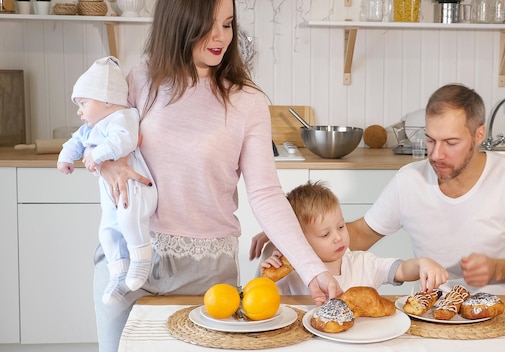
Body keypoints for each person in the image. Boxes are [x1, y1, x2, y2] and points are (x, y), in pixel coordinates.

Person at [93, 1, 341, 351]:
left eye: (227, 24)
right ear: (179, 22)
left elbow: (266, 194)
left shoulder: (247, 101)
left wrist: (314, 269)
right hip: (127, 260)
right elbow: (95, 130)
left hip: (207, 275)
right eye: (208, 25)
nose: (220, 37)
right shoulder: (140, 79)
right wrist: (106, 163)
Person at [346, 83, 505, 294]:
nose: (437, 154)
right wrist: (313, 244)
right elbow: (361, 234)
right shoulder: (409, 180)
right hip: (431, 312)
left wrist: (498, 269)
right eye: (430, 140)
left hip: (504, 311)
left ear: (479, 135)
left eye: (450, 143)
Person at [57, 56, 157, 306]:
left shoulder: (123, 117)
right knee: (108, 230)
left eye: (83, 102)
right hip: (111, 193)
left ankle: (141, 260)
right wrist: (65, 157)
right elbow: (75, 141)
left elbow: (124, 140)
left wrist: (96, 154)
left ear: (105, 100)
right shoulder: (90, 127)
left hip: (134, 189)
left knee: (128, 219)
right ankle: (118, 273)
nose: (79, 110)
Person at [260, 181, 449, 294]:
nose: (338, 237)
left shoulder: (361, 263)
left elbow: (401, 270)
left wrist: (422, 264)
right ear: (298, 240)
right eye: (325, 234)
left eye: (341, 226)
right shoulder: (292, 275)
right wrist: (267, 276)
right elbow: (265, 305)